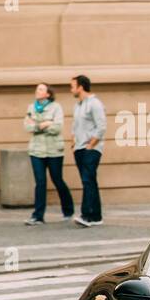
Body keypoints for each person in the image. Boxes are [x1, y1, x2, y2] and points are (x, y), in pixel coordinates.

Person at [23, 83, 72, 225]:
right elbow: (27, 126)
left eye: (41, 89)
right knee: (40, 182)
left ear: (48, 94)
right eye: (37, 89)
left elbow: (57, 127)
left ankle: (68, 210)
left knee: (57, 180)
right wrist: (43, 124)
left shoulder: (56, 107)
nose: (37, 91)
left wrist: (38, 125)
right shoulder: (31, 107)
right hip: (36, 150)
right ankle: (38, 216)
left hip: (54, 150)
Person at [70, 74, 106, 226]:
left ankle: (86, 216)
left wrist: (91, 145)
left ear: (81, 87)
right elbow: (75, 126)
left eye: (72, 86)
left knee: (87, 181)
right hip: (79, 148)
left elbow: (102, 126)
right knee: (90, 181)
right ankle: (97, 217)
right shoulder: (77, 105)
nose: (70, 89)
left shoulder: (95, 103)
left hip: (91, 149)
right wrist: (73, 143)